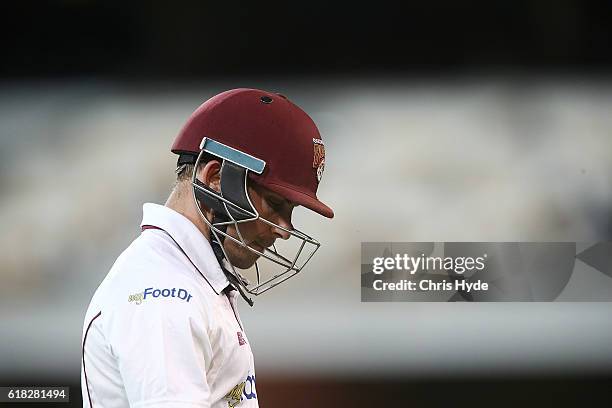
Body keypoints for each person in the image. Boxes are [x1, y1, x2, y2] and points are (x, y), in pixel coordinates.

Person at [80, 88, 334, 408]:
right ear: (215, 177)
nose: (285, 230)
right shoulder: (163, 290)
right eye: (275, 203)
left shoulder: (188, 275)